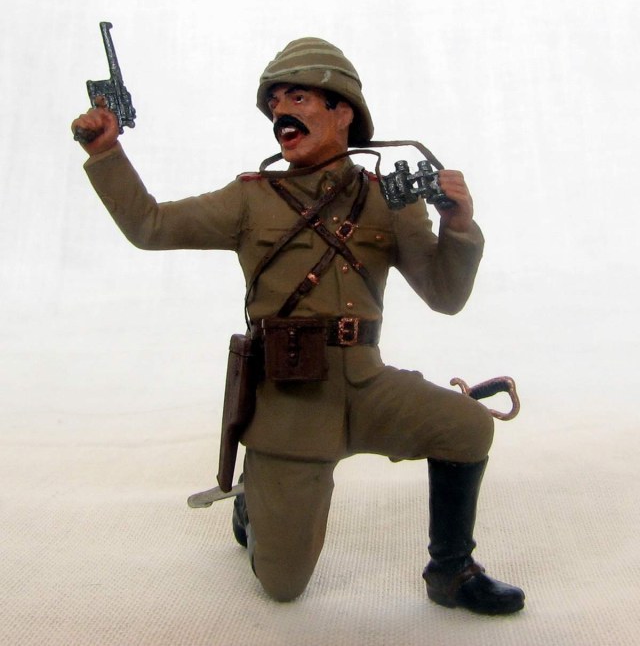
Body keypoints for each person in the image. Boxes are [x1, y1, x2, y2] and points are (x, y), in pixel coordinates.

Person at [72, 37, 525, 614]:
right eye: (275, 101)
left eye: (299, 97)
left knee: (466, 426)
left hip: (367, 386)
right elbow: (151, 225)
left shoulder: (390, 199)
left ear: (343, 111)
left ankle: (452, 572)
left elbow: (446, 295)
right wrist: (106, 153)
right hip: (290, 402)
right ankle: (253, 501)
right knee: (282, 585)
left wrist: (458, 225)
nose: (281, 111)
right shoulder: (250, 199)